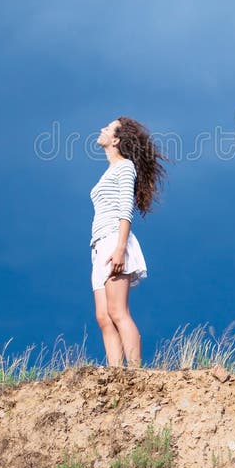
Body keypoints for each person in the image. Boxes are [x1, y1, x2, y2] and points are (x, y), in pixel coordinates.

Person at [90, 116, 168, 368]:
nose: (101, 129)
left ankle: (134, 372)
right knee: (103, 316)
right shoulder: (110, 170)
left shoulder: (125, 167)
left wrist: (120, 249)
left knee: (117, 311)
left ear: (116, 139)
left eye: (108, 128)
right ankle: (115, 373)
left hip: (115, 239)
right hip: (99, 244)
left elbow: (126, 209)